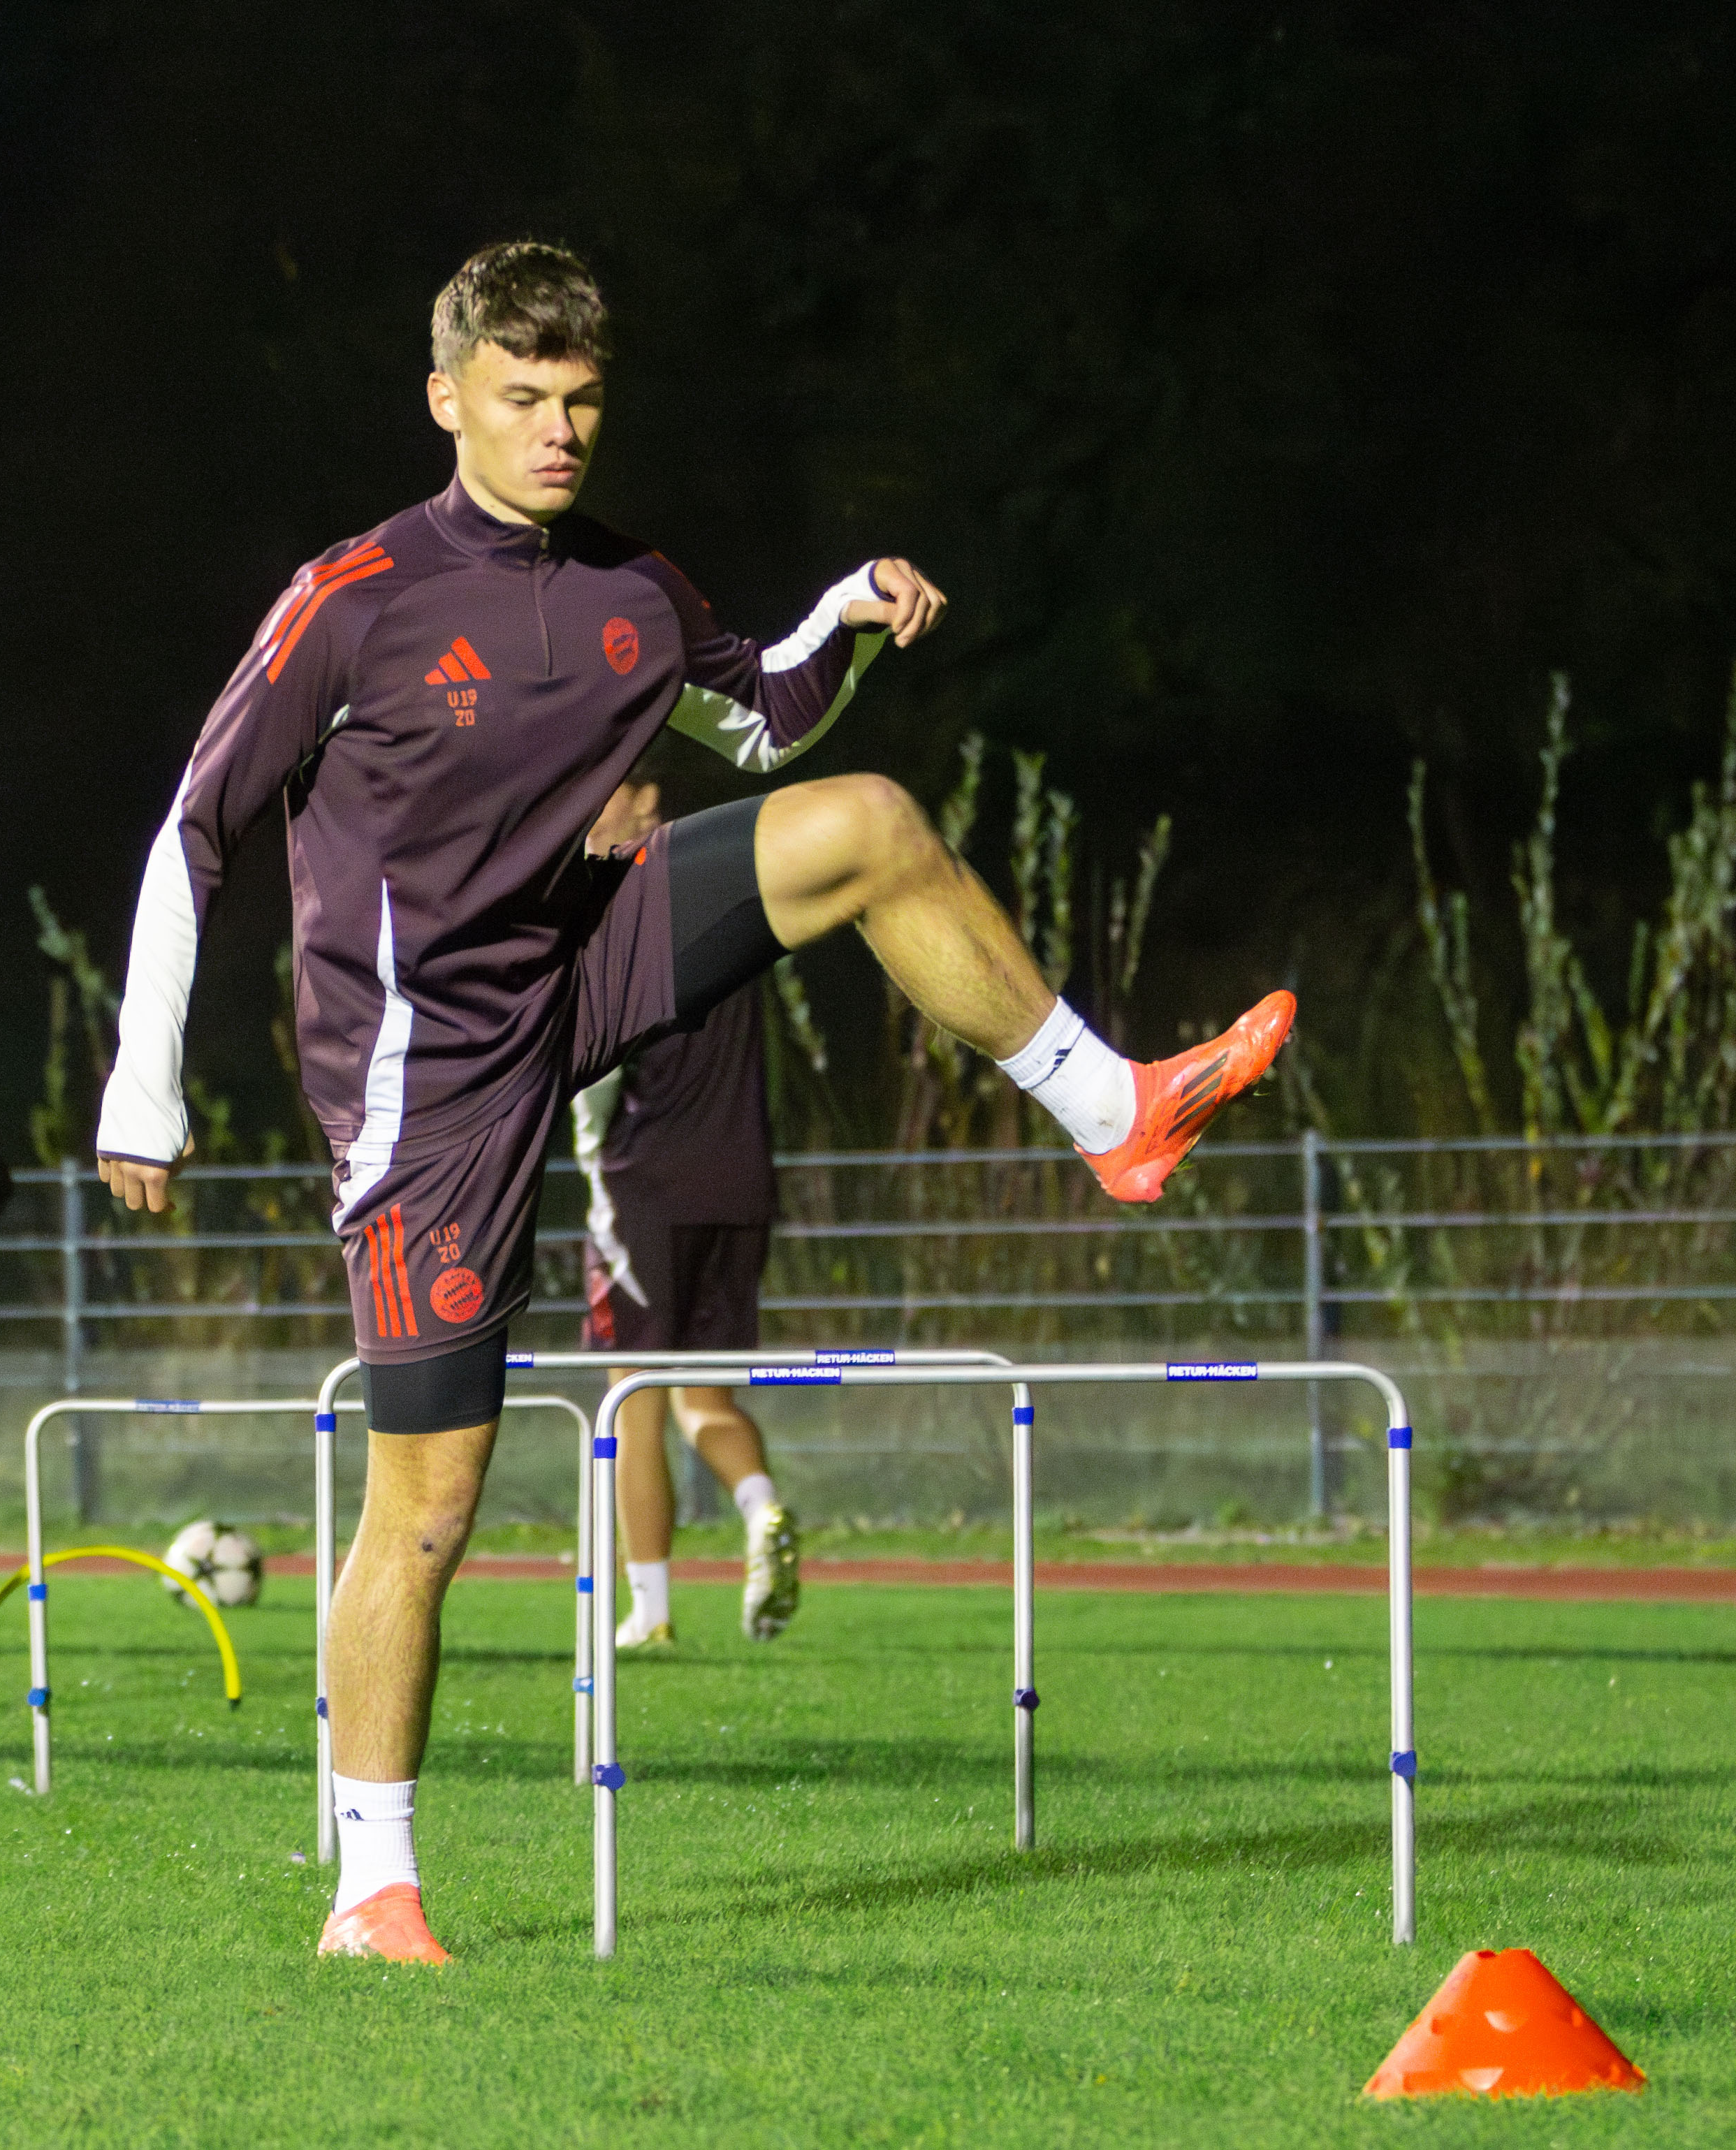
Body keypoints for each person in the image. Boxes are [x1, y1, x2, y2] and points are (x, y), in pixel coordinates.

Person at [92, 240, 1294, 1963]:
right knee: (426, 1503)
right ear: (447, 402)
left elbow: (766, 714)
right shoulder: (351, 595)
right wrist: (143, 1078)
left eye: (581, 401)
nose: (557, 431)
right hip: (421, 1077)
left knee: (867, 818)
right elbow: (192, 829)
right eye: (520, 400)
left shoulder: (630, 589)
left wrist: (851, 607)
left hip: (590, 955)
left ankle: (1115, 1107)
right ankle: (371, 1886)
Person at [568, 768, 798, 1651]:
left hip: (646, 1186)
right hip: (742, 1182)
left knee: (632, 1400)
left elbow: (591, 1077)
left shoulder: (620, 914)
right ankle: (762, 1508)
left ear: (639, 799)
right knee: (707, 1396)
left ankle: (653, 1610)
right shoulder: (736, 904)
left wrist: (593, 1177)